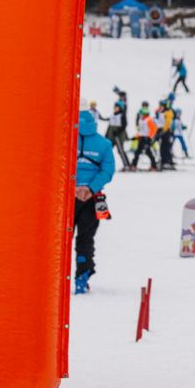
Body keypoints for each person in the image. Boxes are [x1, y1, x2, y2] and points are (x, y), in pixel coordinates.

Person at [72, 109, 115, 294]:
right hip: (93, 198)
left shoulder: (66, 140)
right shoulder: (104, 144)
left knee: (60, 240)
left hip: (67, 199)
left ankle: (56, 277)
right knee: (85, 238)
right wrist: (90, 189)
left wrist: (73, 187)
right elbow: (107, 171)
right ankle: (82, 276)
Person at [107, 87, 132, 170]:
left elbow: (124, 125)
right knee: (107, 150)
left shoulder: (122, 115)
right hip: (111, 135)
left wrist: (118, 132)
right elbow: (109, 126)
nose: (115, 108)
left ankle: (127, 165)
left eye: (117, 107)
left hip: (118, 135)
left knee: (120, 150)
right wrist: (107, 135)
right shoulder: (113, 115)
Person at [132, 101, 159, 170]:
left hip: (146, 138)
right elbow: (141, 130)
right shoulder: (142, 120)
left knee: (148, 152)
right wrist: (137, 136)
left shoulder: (149, 120)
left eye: (142, 114)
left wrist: (149, 137)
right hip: (141, 137)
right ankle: (134, 165)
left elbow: (154, 129)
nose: (140, 115)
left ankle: (154, 166)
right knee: (138, 152)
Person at [157, 97, 176, 171]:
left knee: (165, 147)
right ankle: (164, 160)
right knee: (162, 147)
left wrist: (164, 131)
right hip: (162, 131)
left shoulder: (168, 113)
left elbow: (167, 123)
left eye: (161, 106)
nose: (160, 107)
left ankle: (167, 161)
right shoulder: (162, 113)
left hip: (166, 132)